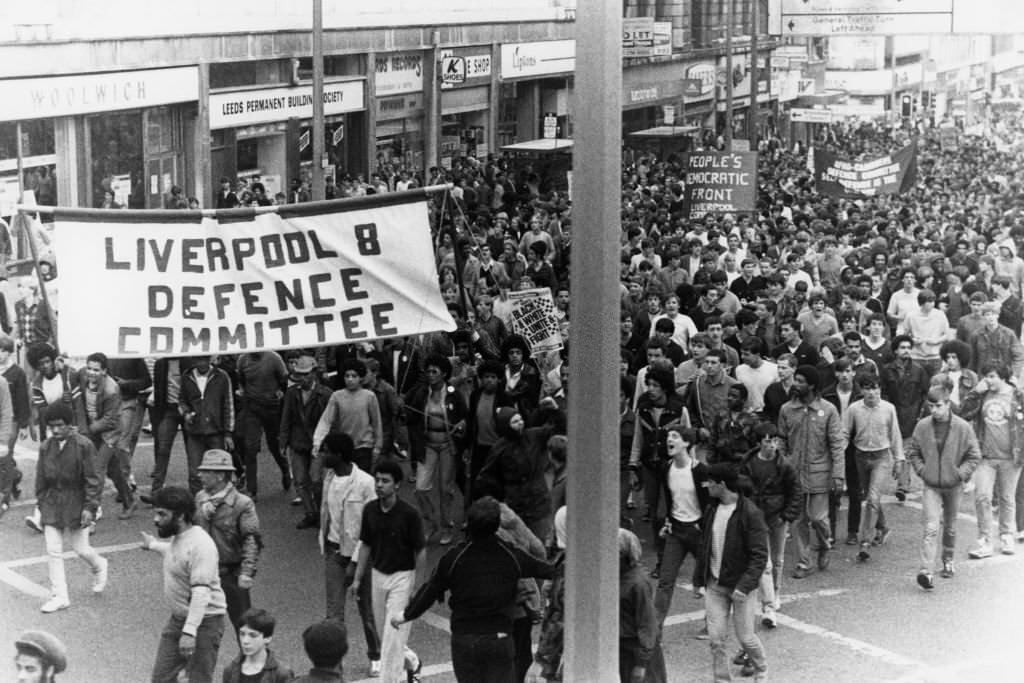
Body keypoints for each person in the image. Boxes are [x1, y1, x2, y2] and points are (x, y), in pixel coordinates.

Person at [395, 496, 555, 682]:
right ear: (496, 526)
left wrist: (406, 615)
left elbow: (430, 590)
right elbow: (545, 569)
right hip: (499, 638)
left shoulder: (454, 558)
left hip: (465, 638)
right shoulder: (511, 556)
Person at [142, 486, 228, 683]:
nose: (156, 519)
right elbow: (177, 555)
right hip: (179, 619)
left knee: (199, 679)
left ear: (180, 516)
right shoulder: (181, 538)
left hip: (204, 623)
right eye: (156, 512)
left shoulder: (201, 545)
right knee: (162, 678)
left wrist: (189, 632)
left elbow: (201, 594)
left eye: (162, 514)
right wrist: (153, 545)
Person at [693, 464, 769, 683]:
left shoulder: (751, 514)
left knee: (746, 638)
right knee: (716, 640)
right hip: (715, 585)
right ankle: (722, 680)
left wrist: (744, 586)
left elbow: (759, 556)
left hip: (740, 587)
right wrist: (699, 580)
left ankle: (761, 668)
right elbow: (704, 546)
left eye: (710, 482)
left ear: (722, 485)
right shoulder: (711, 509)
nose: (706, 486)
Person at [351, 460, 424, 683]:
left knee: (393, 637)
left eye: (385, 481)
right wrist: (357, 578)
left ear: (397, 485)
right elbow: (365, 544)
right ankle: (411, 660)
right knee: (386, 636)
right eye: (378, 480)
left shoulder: (409, 514)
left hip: (402, 578)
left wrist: (418, 586)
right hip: (378, 576)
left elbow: (420, 550)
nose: (379, 485)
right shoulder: (370, 510)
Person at [34, 403, 108, 613]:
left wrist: (90, 507)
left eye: (59, 425)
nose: (55, 430)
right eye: (51, 426)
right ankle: (60, 595)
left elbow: (93, 479)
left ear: (69, 424)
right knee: (53, 550)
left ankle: (99, 564)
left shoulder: (83, 446)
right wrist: (41, 504)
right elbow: (40, 480)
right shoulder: (45, 447)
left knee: (80, 548)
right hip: (52, 502)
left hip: (77, 501)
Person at [906, 387, 981, 589]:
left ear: (948, 404)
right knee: (931, 527)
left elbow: (974, 455)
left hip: (953, 485)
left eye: (938, 406)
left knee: (950, 526)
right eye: (930, 406)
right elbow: (913, 452)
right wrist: (923, 471)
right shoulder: (922, 426)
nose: (934, 410)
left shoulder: (963, 427)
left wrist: (960, 474)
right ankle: (926, 571)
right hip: (931, 485)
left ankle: (948, 559)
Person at [319, 433, 380, 676]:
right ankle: (335, 664)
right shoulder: (328, 478)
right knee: (333, 615)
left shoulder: (365, 483)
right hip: (334, 552)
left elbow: (371, 526)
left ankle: (376, 654)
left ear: (339, 455)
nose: (322, 455)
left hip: (361, 556)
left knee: (368, 609)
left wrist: (356, 563)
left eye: (326, 451)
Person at [778, 365, 846, 579]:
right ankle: (803, 563)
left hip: (819, 473)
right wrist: (782, 461)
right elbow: (781, 438)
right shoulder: (787, 409)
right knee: (798, 521)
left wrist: (838, 474)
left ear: (812, 385)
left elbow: (836, 443)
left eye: (800, 381)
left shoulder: (828, 410)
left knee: (818, 518)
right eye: (795, 380)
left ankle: (825, 545)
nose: (795, 384)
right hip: (794, 473)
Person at [958, 363, 1024, 558]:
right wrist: (975, 393)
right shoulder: (983, 394)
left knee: (1006, 497)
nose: (988, 380)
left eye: (992, 376)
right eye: (986, 376)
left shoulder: (1017, 395)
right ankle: (985, 540)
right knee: (982, 497)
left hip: (1011, 457)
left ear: (1003, 377)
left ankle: (1006, 536)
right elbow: (964, 413)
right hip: (986, 456)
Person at [739, 423, 800, 630]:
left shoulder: (785, 465)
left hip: (778, 516)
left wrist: (787, 515)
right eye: (767, 441)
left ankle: (775, 592)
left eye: (775, 441)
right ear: (759, 443)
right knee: (765, 563)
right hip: (757, 517)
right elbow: (742, 490)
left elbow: (795, 491)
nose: (772, 445)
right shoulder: (748, 463)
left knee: (778, 558)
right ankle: (769, 607)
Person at [194, 449, 261, 635]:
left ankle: (252, 662)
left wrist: (247, 572)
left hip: (230, 574)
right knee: (198, 624)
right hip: (204, 572)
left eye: (206, 471)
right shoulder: (200, 498)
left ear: (220, 475)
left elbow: (252, 539)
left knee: (244, 626)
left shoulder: (242, 504)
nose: (200, 475)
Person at [403, 353, 468, 545]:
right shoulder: (421, 393)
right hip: (427, 446)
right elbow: (409, 415)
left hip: (448, 446)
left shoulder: (453, 393)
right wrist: (402, 407)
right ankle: (430, 523)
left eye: (435, 371)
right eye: (428, 371)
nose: (430, 375)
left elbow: (464, 416)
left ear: (444, 374)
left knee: (445, 489)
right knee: (420, 488)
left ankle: (446, 526)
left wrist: (462, 425)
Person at [842, 374, 905, 562]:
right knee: (871, 496)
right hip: (861, 455)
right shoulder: (853, 409)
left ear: (880, 389)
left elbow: (895, 435)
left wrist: (899, 459)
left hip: (881, 457)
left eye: (875, 388)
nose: (872, 392)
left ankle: (865, 542)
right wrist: (838, 454)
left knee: (872, 497)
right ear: (861, 390)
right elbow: (845, 433)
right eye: (867, 388)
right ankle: (883, 527)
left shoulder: (888, 409)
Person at [653, 425, 708, 626]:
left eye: (674, 436)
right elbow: (669, 498)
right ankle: (655, 630)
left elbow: (708, 502)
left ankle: (712, 623)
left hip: (697, 531)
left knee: (710, 580)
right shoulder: (666, 468)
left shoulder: (700, 471)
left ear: (686, 443)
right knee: (665, 582)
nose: (669, 440)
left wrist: (704, 526)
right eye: (668, 436)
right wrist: (668, 520)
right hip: (676, 530)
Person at [76, 352, 137, 519]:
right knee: (114, 469)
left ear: (104, 371)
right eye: (89, 368)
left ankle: (92, 512)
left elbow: (110, 420)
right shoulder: (82, 375)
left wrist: (87, 430)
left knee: (96, 470)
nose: (91, 373)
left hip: (109, 433)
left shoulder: (111, 389)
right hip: (94, 428)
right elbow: (72, 375)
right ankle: (129, 501)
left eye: (96, 370)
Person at [279, 353, 333, 528]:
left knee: (316, 481)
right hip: (298, 442)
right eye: (299, 374)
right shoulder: (291, 393)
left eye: (306, 374)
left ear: (314, 373)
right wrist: (283, 442)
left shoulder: (325, 394)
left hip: (319, 444)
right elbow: (285, 419)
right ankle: (311, 514)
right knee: (301, 481)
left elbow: (332, 422)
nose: (302, 378)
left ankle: (321, 513)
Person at [235, 351, 290, 499]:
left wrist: (280, 391)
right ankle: (252, 490)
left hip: (272, 407)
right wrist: (242, 390)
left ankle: (285, 469)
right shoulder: (242, 360)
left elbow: (284, 379)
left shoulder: (274, 358)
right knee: (250, 447)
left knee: (274, 445)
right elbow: (240, 378)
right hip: (252, 407)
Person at [312, 358, 382, 472]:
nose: (350, 379)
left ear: (361, 378)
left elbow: (376, 423)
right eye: (347, 376)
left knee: (362, 481)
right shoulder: (337, 396)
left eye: (354, 376)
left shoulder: (369, 396)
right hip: (344, 448)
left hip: (364, 447)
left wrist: (378, 447)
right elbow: (325, 421)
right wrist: (317, 441)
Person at [180, 356, 235, 495]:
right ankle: (197, 505)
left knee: (220, 470)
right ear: (194, 361)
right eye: (198, 360)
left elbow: (228, 404)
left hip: (216, 430)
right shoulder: (187, 377)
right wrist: (186, 413)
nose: (202, 363)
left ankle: (221, 503)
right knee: (194, 472)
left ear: (209, 360)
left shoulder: (221, 376)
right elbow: (181, 400)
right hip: (195, 431)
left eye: (204, 360)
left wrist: (228, 432)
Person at [618, 528, 668, 683]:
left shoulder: (637, 583)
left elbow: (647, 623)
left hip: (637, 651)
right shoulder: (616, 576)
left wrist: (641, 663)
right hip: (623, 648)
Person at [221, 608, 294, 683]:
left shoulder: (281, 673)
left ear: (267, 638)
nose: (245, 641)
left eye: (253, 635)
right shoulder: (230, 670)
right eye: (242, 634)